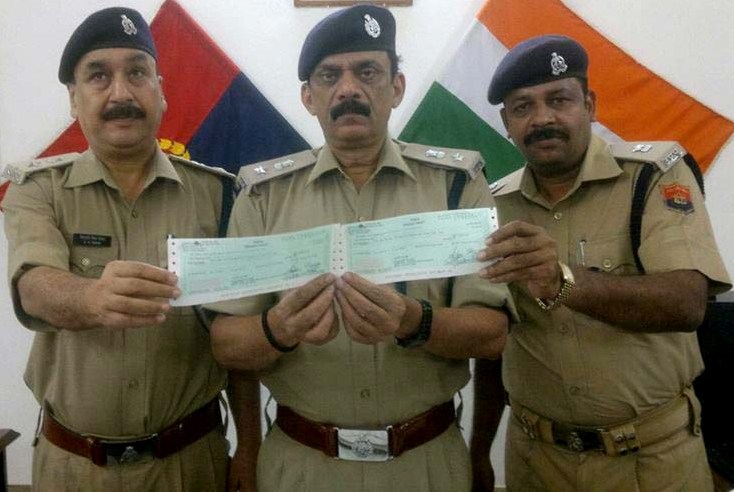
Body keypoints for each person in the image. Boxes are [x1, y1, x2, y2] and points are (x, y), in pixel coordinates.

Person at [206, 5, 512, 491]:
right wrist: (278, 329)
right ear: (309, 97)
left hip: (426, 464)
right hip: (302, 466)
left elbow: (491, 334)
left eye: (367, 72)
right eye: (329, 76)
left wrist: (414, 321)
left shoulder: (456, 186)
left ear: (397, 87)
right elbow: (227, 343)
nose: (348, 89)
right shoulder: (263, 197)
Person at [2, 7, 259, 491]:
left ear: (161, 91)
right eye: (98, 76)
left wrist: (250, 448)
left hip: (191, 464)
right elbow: (33, 287)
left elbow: (237, 332)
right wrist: (91, 299)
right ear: (74, 99)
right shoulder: (37, 189)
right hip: (73, 468)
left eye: (137, 73)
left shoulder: (218, 195)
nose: (120, 93)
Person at [471, 34, 732, 491]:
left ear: (589, 105)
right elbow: (497, 342)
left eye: (559, 100)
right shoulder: (493, 206)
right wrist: (478, 451)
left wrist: (563, 281)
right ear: (507, 123)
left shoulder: (652, 176)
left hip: (652, 463)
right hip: (535, 462)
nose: (542, 118)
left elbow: (687, 303)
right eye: (523, 107)